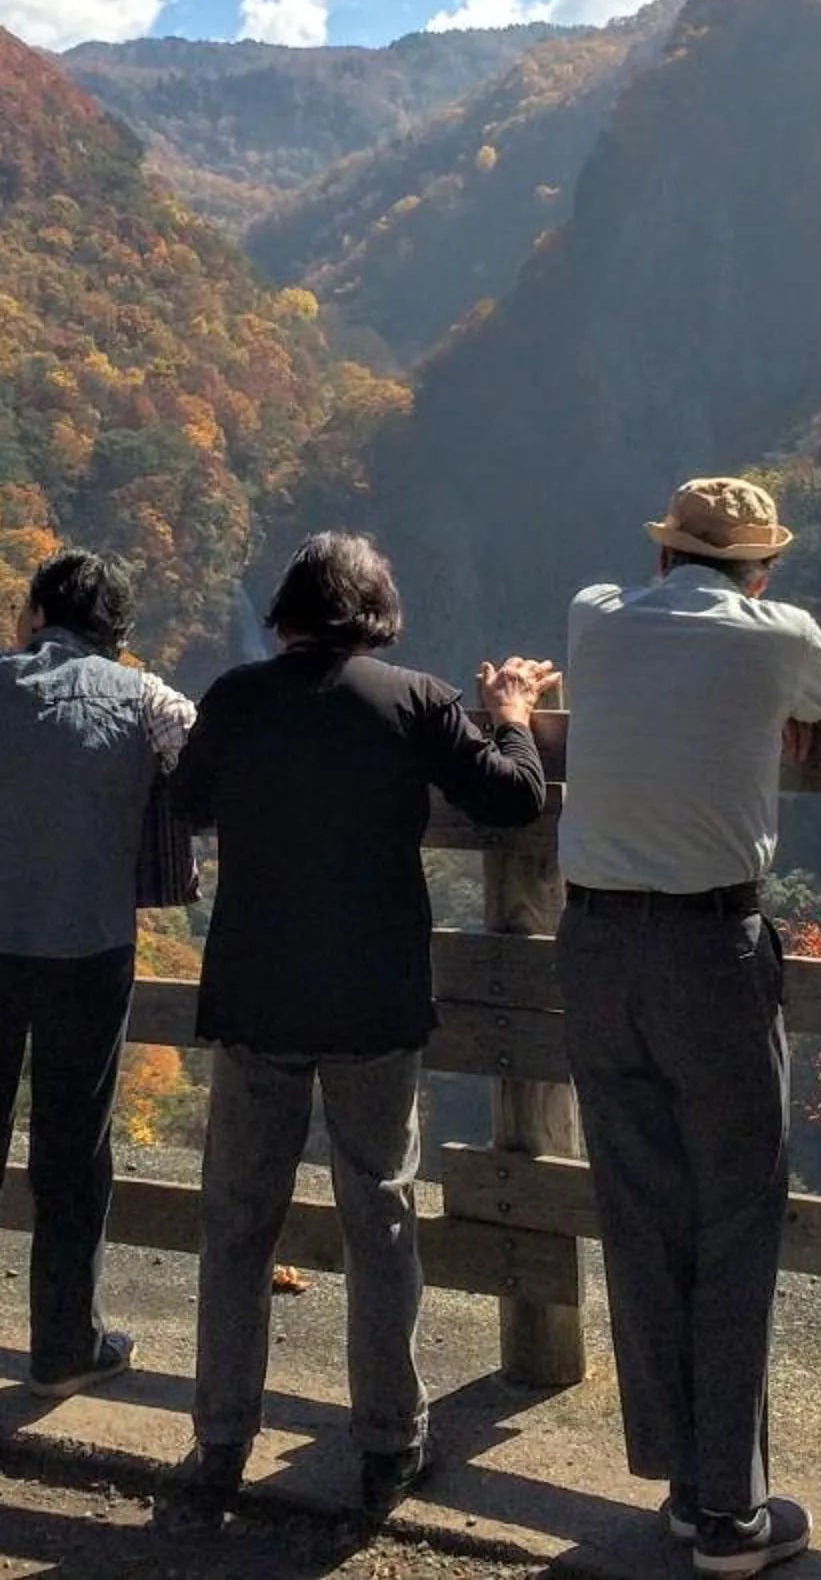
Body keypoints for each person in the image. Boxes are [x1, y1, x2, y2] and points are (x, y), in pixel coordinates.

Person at [170, 533, 553, 1513]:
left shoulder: (237, 699)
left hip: (257, 987)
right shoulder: (414, 700)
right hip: (374, 991)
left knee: (238, 1218)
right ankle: (390, 1441)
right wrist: (510, 716)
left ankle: (220, 1438)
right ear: (376, 614)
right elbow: (512, 802)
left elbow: (184, 801)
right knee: (379, 1213)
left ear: (288, 612)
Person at [556, 476, 821, 1577]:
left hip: (591, 949)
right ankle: (730, 1511)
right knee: (737, 1213)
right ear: (762, 569)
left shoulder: (595, 616)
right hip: (708, 950)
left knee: (640, 1209)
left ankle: (685, 1481)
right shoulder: (780, 636)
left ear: (666, 559)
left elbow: (621, 637)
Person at [0, 550, 194, 1396]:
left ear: (34, 616)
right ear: (117, 634)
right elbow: (198, 756)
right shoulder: (147, 696)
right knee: (73, 1138)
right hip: (85, 942)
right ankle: (63, 1346)